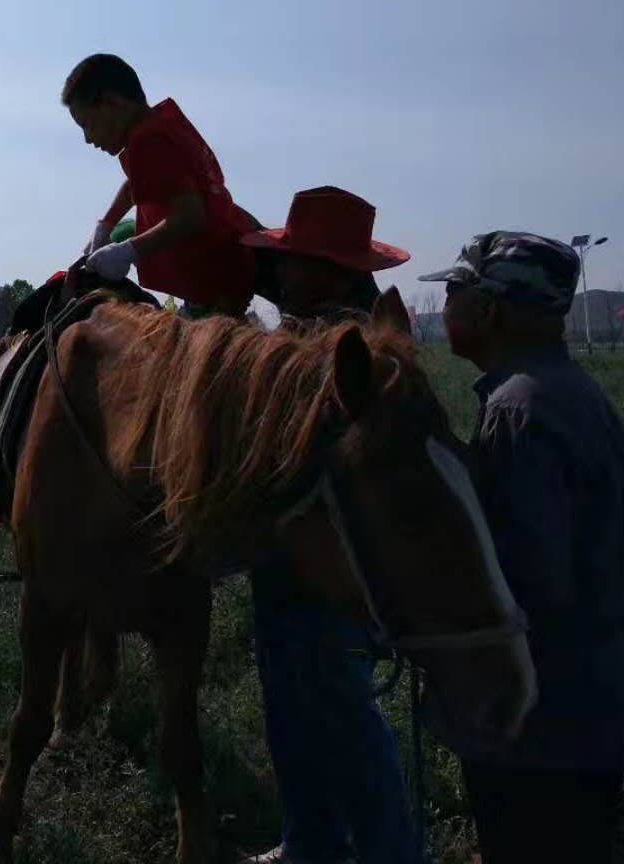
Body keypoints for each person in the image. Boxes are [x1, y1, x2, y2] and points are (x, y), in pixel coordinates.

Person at [417, 231, 624, 864]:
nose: (447, 307)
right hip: (589, 703)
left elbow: (522, 584)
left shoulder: (518, 410)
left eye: (454, 292)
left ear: (488, 309)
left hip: (541, 729)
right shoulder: (565, 391)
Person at [235, 187, 425, 864]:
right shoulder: (302, 337)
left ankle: (393, 853)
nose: (280, 275)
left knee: (345, 713)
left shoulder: (361, 356)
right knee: (289, 705)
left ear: (335, 273)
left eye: (294, 262)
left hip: (339, 570)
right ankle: (309, 839)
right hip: (284, 562)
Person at [64, 53, 258, 316]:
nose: (87, 138)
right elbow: (138, 184)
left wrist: (127, 251)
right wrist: (105, 226)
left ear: (111, 103)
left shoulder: (149, 141)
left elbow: (191, 215)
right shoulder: (155, 127)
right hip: (224, 274)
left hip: (213, 288)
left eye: (86, 124)